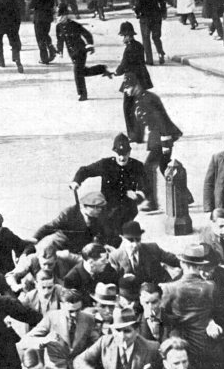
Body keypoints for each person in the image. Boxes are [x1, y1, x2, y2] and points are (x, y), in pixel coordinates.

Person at [122, 80, 183, 212]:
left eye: (127, 88)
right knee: (164, 167)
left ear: (136, 85)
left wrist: (166, 143)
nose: (126, 92)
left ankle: (151, 202)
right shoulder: (140, 98)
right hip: (157, 136)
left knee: (148, 167)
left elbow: (161, 120)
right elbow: (141, 122)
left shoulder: (147, 100)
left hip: (161, 137)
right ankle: (185, 196)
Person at [70, 134, 147, 231]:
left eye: (125, 154)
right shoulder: (106, 164)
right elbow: (85, 170)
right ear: (114, 152)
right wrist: (76, 181)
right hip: (108, 209)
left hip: (128, 210)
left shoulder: (137, 166)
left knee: (124, 234)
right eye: (119, 154)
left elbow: (146, 186)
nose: (122, 157)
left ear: (129, 152)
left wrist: (138, 195)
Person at [55, 6, 111, 101]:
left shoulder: (74, 25)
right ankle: (101, 69)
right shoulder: (58, 27)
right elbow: (60, 40)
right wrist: (60, 50)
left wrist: (90, 45)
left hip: (81, 51)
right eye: (58, 16)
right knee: (83, 72)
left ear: (66, 16)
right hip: (72, 53)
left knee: (77, 72)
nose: (59, 18)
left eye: (61, 16)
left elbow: (87, 34)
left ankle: (82, 94)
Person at [132, 0, 167, 65]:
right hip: (157, 16)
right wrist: (163, 12)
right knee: (156, 37)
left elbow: (137, 6)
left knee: (146, 38)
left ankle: (149, 60)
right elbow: (162, 1)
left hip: (145, 18)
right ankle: (160, 53)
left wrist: (137, 13)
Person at [112, 22, 152, 95]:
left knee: (129, 100)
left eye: (124, 36)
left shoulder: (129, 48)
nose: (123, 39)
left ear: (128, 36)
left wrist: (117, 72)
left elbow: (124, 63)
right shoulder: (139, 44)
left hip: (132, 77)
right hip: (142, 75)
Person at [31, 0, 57, 65]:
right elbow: (53, 3)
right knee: (45, 34)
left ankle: (44, 58)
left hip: (38, 17)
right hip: (48, 17)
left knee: (40, 38)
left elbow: (31, 5)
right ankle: (51, 49)